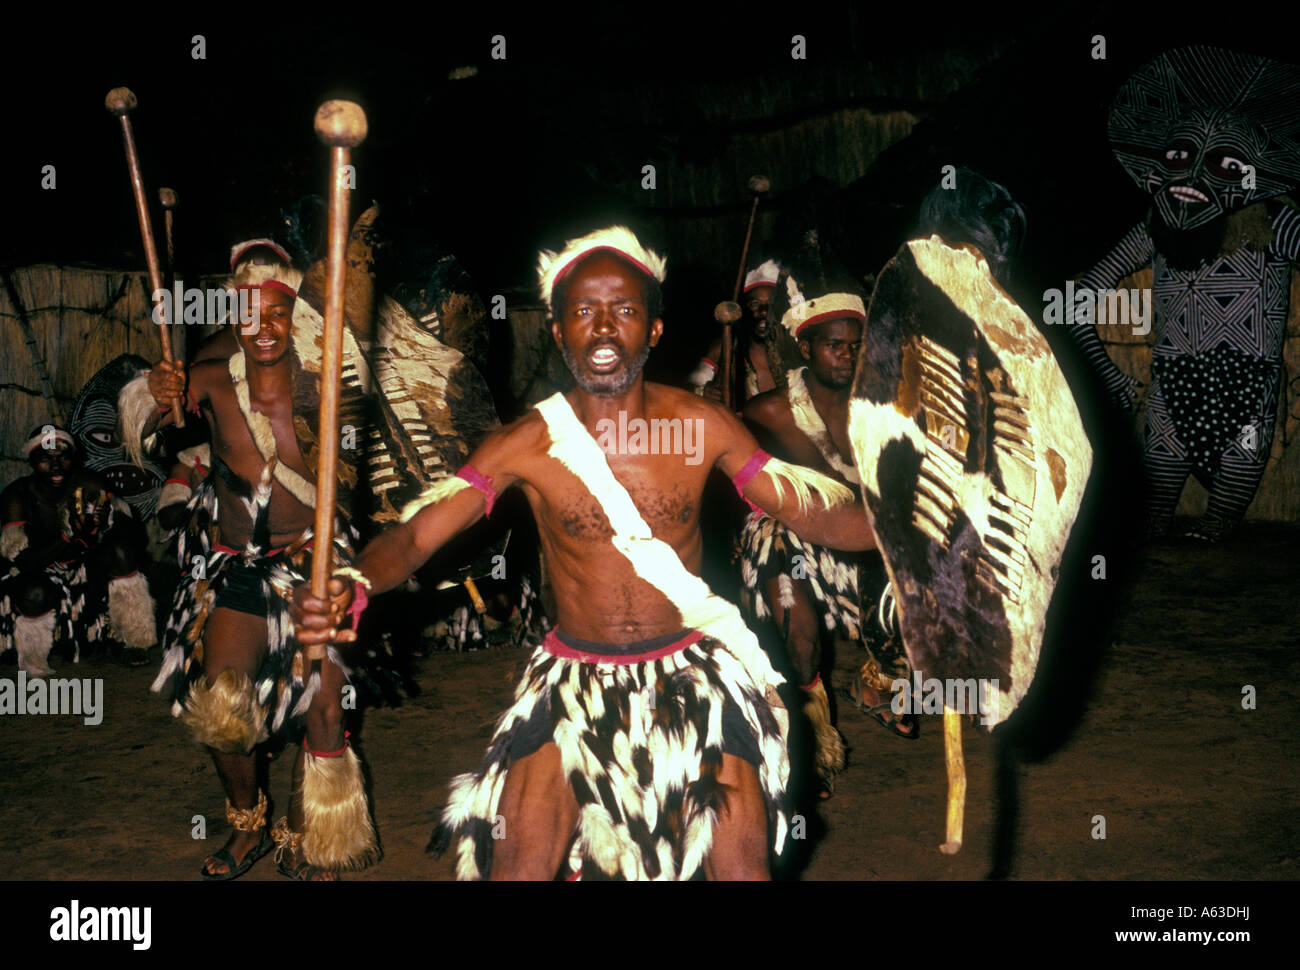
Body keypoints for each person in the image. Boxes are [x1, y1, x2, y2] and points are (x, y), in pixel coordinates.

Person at [292, 225, 875, 880]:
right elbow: (415, 534)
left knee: (741, 872)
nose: (603, 328)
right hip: (574, 682)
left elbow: (806, 509)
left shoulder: (704, 426)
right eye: (584, 312)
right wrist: (353, 581)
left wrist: (913, 535)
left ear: (653, 330)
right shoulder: (527, 443)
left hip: (697, 676)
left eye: (624, 310)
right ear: (559, 329)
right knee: (519, 867)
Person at [140, 267, 378, 881]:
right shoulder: (213, 381)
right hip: (238, 564)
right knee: (223, 706)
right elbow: (143, 430)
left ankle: (311, 832)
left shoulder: (331, 386)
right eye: (250, 314)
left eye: (278, 313)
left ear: (298, 319)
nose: (264, 328)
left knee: (323, 711)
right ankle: (248, 824)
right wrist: (156, 389)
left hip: (314, 562)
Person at [1065, 47, 1300, 542]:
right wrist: (1105, 371)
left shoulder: (1276, 222)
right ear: (1157, 169)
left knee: (1218, 527)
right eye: (1179, 156)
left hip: (1248, 394)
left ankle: (1216, 530)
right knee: (1149, 524)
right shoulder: (1158, 227)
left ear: (1258, 176)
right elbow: (1082, 295)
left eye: (1227, 164)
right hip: (1173, 393)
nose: (1193, 177)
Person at [740, 259, 917, 799]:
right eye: (833, 344)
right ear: (806, 348)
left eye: (856, 343)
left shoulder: (888, 409)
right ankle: (807, 743)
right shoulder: (767, 413)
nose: (847, 355)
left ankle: (878, 682)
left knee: (920, 602)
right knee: (801, 639)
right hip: (786, 532)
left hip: (860, 535)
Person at [0, 426, 156, 672]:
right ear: (31, 461)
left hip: (84, 568)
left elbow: (130, 539)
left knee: (122, 553)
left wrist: (104, 526)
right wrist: (68, 536)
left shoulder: (92, 484)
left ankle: (127, 640)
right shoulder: (16, 495)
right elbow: (23, 562)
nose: (56, 465)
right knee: (34, 593)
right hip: (39, 571)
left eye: (63, 456)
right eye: (45, 459)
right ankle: (35, 653)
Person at [690, 259, 780, 403]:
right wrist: (703, 392)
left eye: (770, 304)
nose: (764, 312)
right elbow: (689, 389)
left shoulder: (792, 350)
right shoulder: (724, 349)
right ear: (742, 310)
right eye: (755, 304)